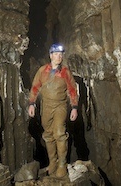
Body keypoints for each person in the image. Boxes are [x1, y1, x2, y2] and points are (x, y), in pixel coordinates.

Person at [28, 43, 79, 178]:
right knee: (48, 134)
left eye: (61, 54)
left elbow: (72, 90)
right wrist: (32, 104)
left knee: (59, 133)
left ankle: (62, 164)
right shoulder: (42, 70)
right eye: (56, 54)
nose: (59, 56)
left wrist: (74, 107)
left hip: (60, 106)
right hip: (46, 106)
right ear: (50, 55)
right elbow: (35, 87)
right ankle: (53, 163)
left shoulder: (65, 72)